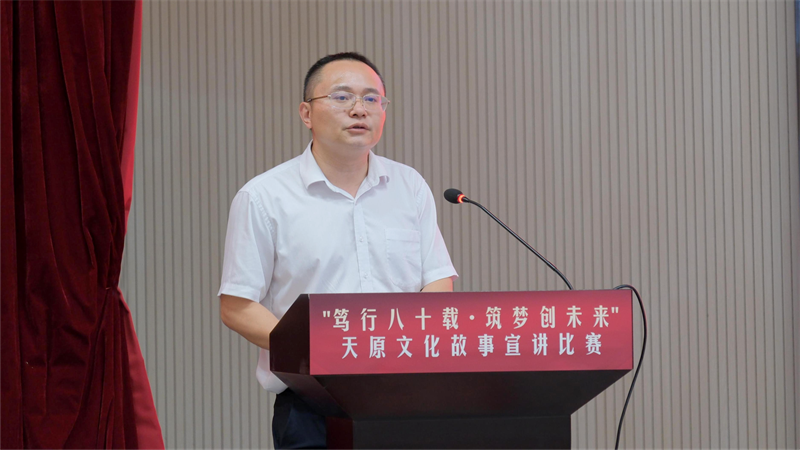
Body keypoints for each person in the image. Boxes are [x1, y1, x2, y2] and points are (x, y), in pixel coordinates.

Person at [217, 52, 458, 450]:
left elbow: (437, 279)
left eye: (371, 98)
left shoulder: (409, 186)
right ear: (306, 113)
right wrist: (320, 352)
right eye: (342, 97)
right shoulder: (264, 197)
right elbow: (237, 305)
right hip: (312, 401)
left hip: (403, 393)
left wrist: (410, 347)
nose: (359, 109)